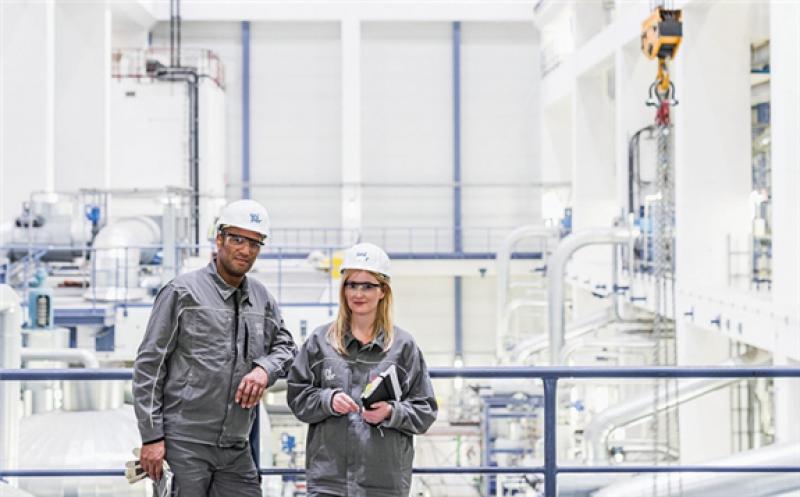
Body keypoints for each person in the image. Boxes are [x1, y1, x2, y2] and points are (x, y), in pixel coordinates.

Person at [132, 199, 297, 497]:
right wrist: (151, 436)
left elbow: (286, 346)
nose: (245, 250)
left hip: (235, 446)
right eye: (237, 239)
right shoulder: (182, 293)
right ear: (219, 239)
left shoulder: (261, 299)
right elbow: (149, 366)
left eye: (254, 243)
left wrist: (265, 370)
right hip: (184, 445)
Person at [287, 242, 438, 497]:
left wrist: (391, 412)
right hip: (329, 482)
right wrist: (327, 400)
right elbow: (297, 395)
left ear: (383, 291)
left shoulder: (402, 347)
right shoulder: (320, 342)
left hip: (383, 483)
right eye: (352, 284)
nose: (358, 293)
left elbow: (425, 410)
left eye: (368, 286)